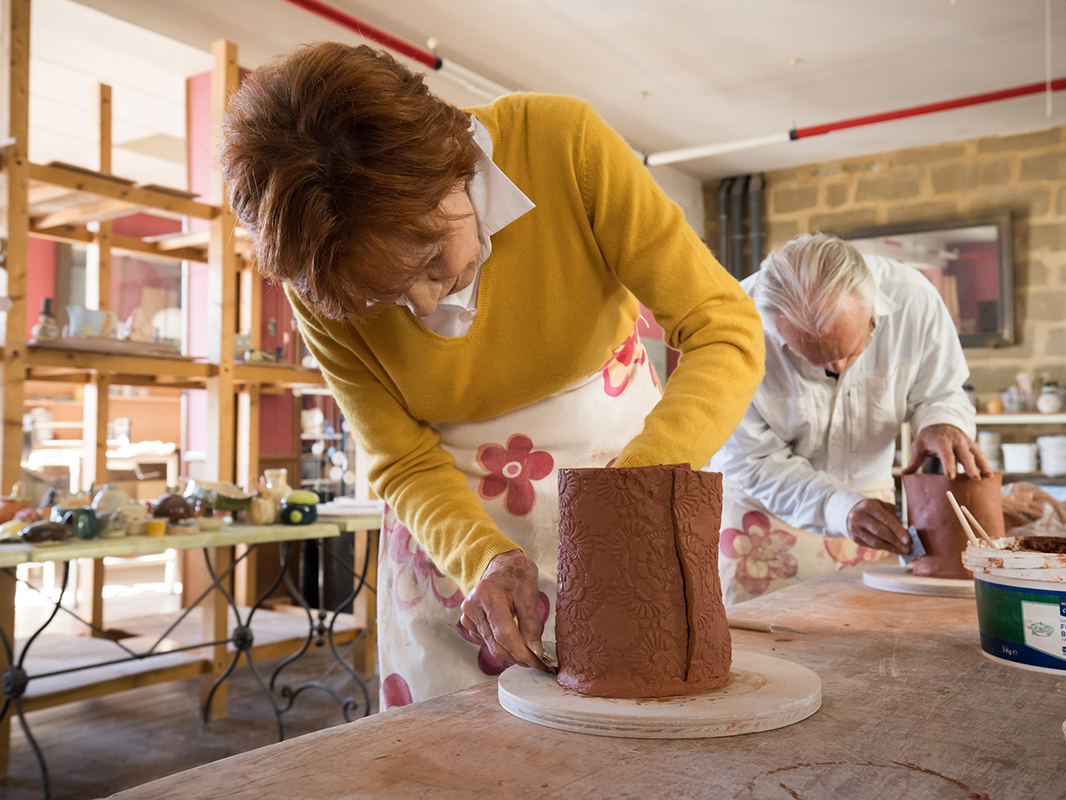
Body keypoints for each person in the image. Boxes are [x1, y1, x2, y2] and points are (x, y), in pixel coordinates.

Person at [219, 42, 764, 707]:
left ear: (451, 165)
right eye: (383, 298)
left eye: (428, 260)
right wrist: (485, 559)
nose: (423, 307)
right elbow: (402, 460)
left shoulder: (562, 146)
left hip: (623, 466)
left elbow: (723, 330)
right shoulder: (322, 273)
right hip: (453, 531)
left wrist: (630, 502)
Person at [710, 234, 988, 605]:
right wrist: (837, 507)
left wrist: (941, 420)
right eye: (812, 358)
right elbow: (750, 458)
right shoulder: (733, 328)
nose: (837, 368)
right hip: (763, 511)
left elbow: (941, 392)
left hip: (871, 506)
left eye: (852, 350)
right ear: (776, 326)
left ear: (873, 306)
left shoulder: (914, 300)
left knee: (872, 638)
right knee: (763, 647)